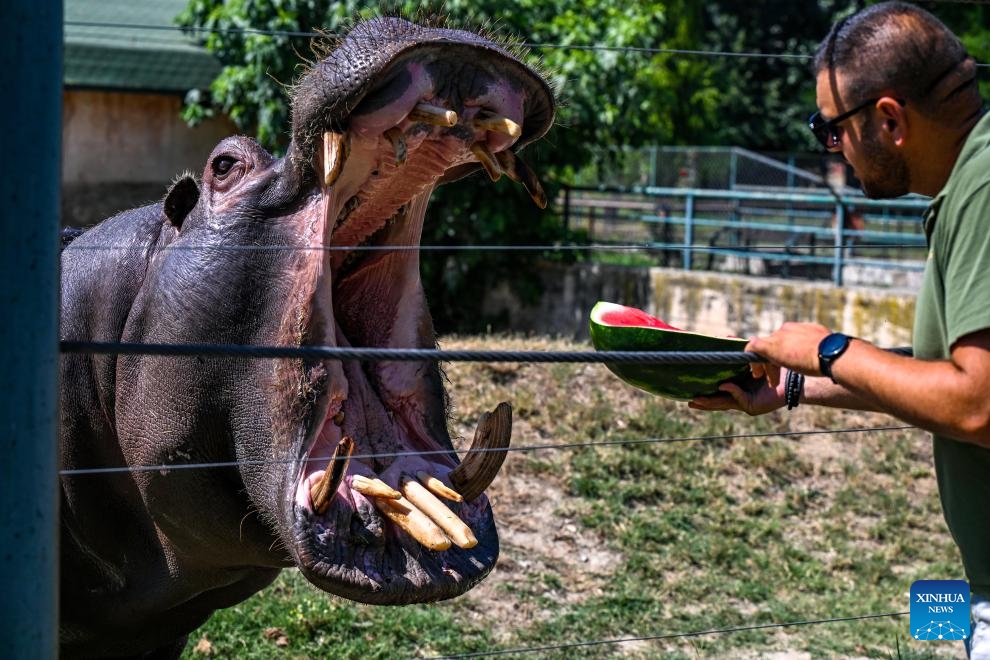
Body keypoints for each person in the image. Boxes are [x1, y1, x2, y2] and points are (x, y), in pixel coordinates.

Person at [688, 3, 990, 657]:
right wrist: (797, 388)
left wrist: (830, 349)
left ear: (889, 119)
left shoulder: (986, 188)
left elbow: (976, 405)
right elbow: (941, 380)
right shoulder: (969, 182)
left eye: (832, 129)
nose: (833, 146)